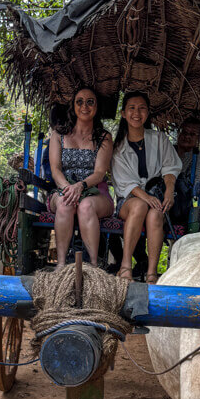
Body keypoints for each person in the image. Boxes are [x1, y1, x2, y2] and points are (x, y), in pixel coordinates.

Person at [111, 91, 182, 282]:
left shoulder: (159, 139)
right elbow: (125, 183)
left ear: (148, 113)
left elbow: (170, 167)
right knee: (140, 205)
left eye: (142, 108)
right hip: (128, 201)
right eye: (132, 108)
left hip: (156, 197)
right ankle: (125, 267)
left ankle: (151, 273)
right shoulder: (118, 148)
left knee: (156, 214)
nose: (137, 113)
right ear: (123, 113)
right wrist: (146, 198)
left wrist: (169, 191)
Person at [48, 87, 114, 269]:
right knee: (65, 203)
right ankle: (61, 264)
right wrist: (68, 189)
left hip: (96, 193)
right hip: (63, 190)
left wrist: (80, 186)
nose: (85, 106)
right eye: (80, 102)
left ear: (96, 107)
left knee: (85, 206)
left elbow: (100, 173)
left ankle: (93, 265)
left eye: (90, 102)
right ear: (73, 106)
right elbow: (55, 169)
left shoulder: (104, 137)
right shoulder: (58, 135)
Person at [170, 115, 200, 226]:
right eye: (184, 132)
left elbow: (198, 182)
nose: (187, 137)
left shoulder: (199, 156)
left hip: (185, 202)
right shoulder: (169, 150)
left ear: (198, 138)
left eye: (192, 134)